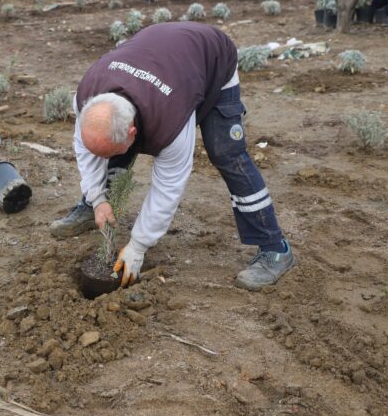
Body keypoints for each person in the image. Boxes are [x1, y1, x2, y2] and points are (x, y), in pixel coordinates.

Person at [50, 22, 296, 291]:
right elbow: (87, 150)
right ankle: (93, 209)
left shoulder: (171, 124)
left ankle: (275, 248)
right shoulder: (87, 97)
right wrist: (96, 198)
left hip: (210, 60)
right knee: (109, 151)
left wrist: (138, 245)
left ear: (134, 131)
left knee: (227, 154)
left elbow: (168, 187)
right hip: (163, 60)